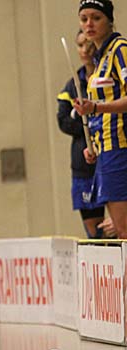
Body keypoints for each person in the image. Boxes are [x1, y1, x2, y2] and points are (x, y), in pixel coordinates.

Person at [74, 0, 127, 239]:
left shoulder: (120, 49)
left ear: (109, 20)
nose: (89, 24)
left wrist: (96, 106)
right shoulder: (99, 59)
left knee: (124, 230)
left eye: (96, 18)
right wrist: (93, 144)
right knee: (121, 232)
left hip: (121, 148)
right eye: (84, 19)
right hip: (105, 150)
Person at [56, 30, 107, 238]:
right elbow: (63, 121)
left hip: (110, 156)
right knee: (95, 232)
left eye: (89, 44)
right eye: (80, 45)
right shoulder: (72, 86)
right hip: (83, 166)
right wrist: (84, 120)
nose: (85, 50)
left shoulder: (108, 79)